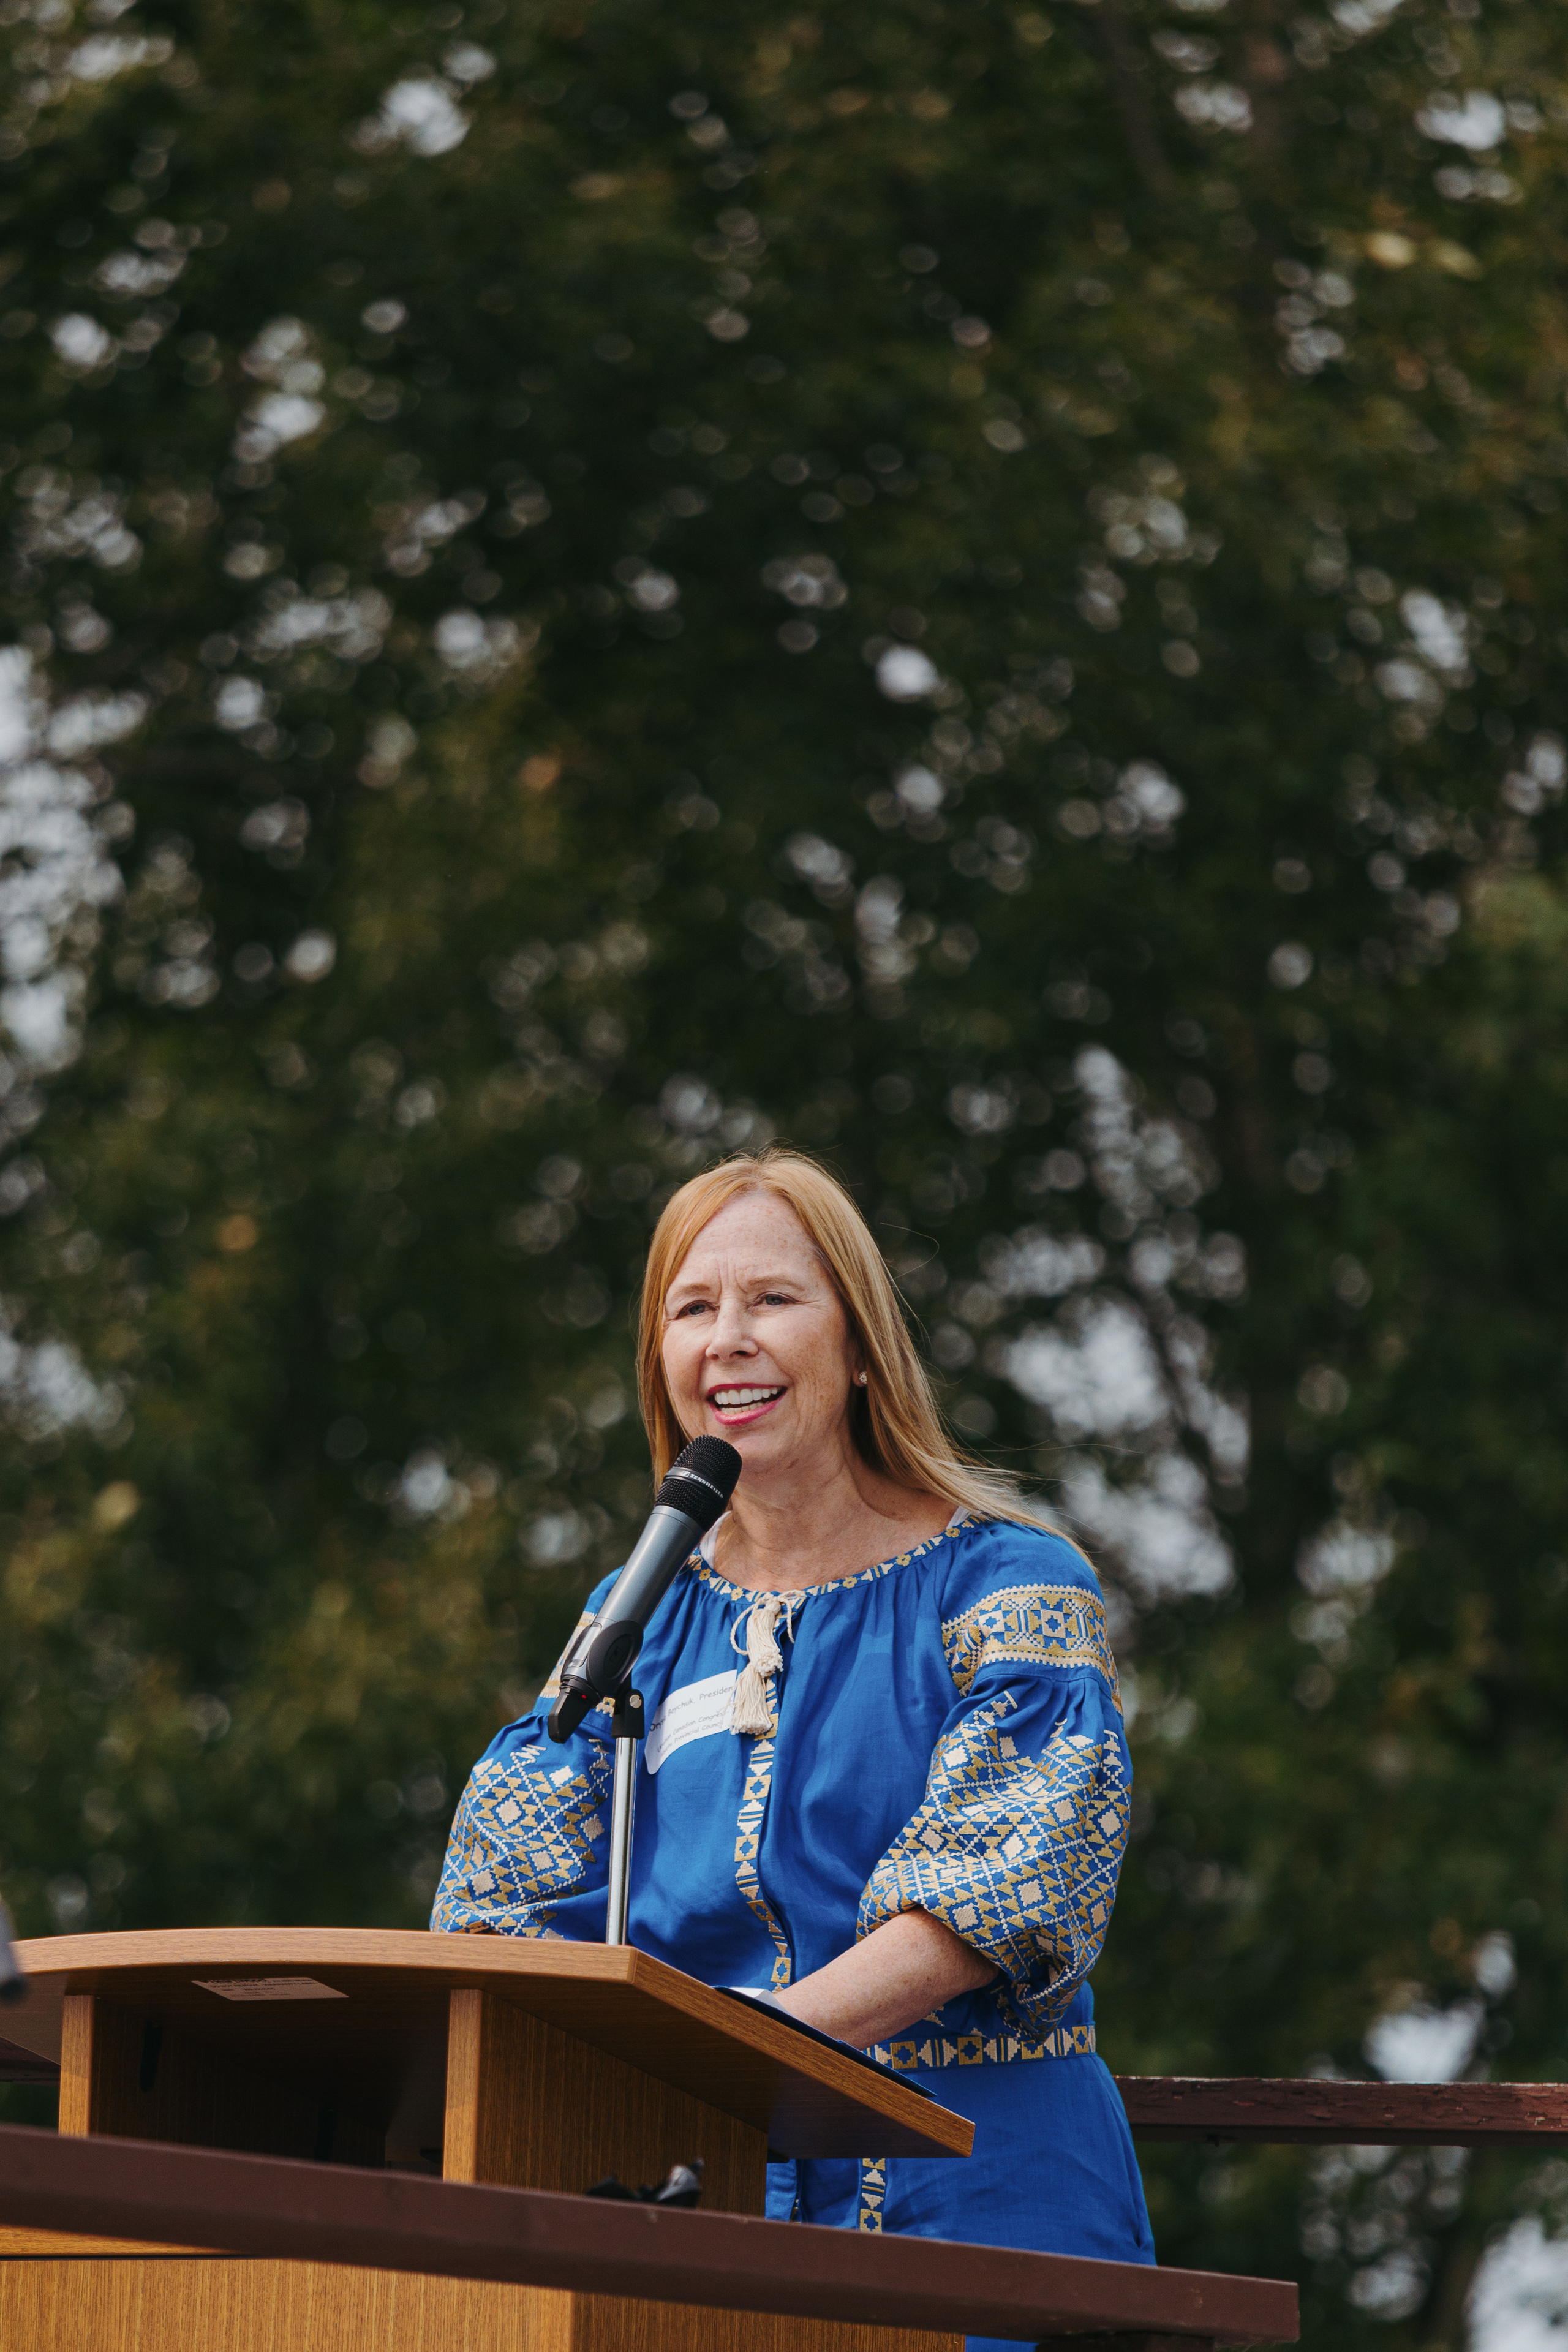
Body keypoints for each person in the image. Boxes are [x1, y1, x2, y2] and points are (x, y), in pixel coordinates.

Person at [433, 1147, 1153, 2341]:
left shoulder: (1010, 1582)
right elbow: (499, 1899)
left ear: (861, 1345)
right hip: (704, 2204)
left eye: (772, 1299)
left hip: (975, 2194)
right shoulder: (637, 1611)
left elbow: (999, 1886)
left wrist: (726, 2062)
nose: (728, 1339)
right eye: (691, 1309)